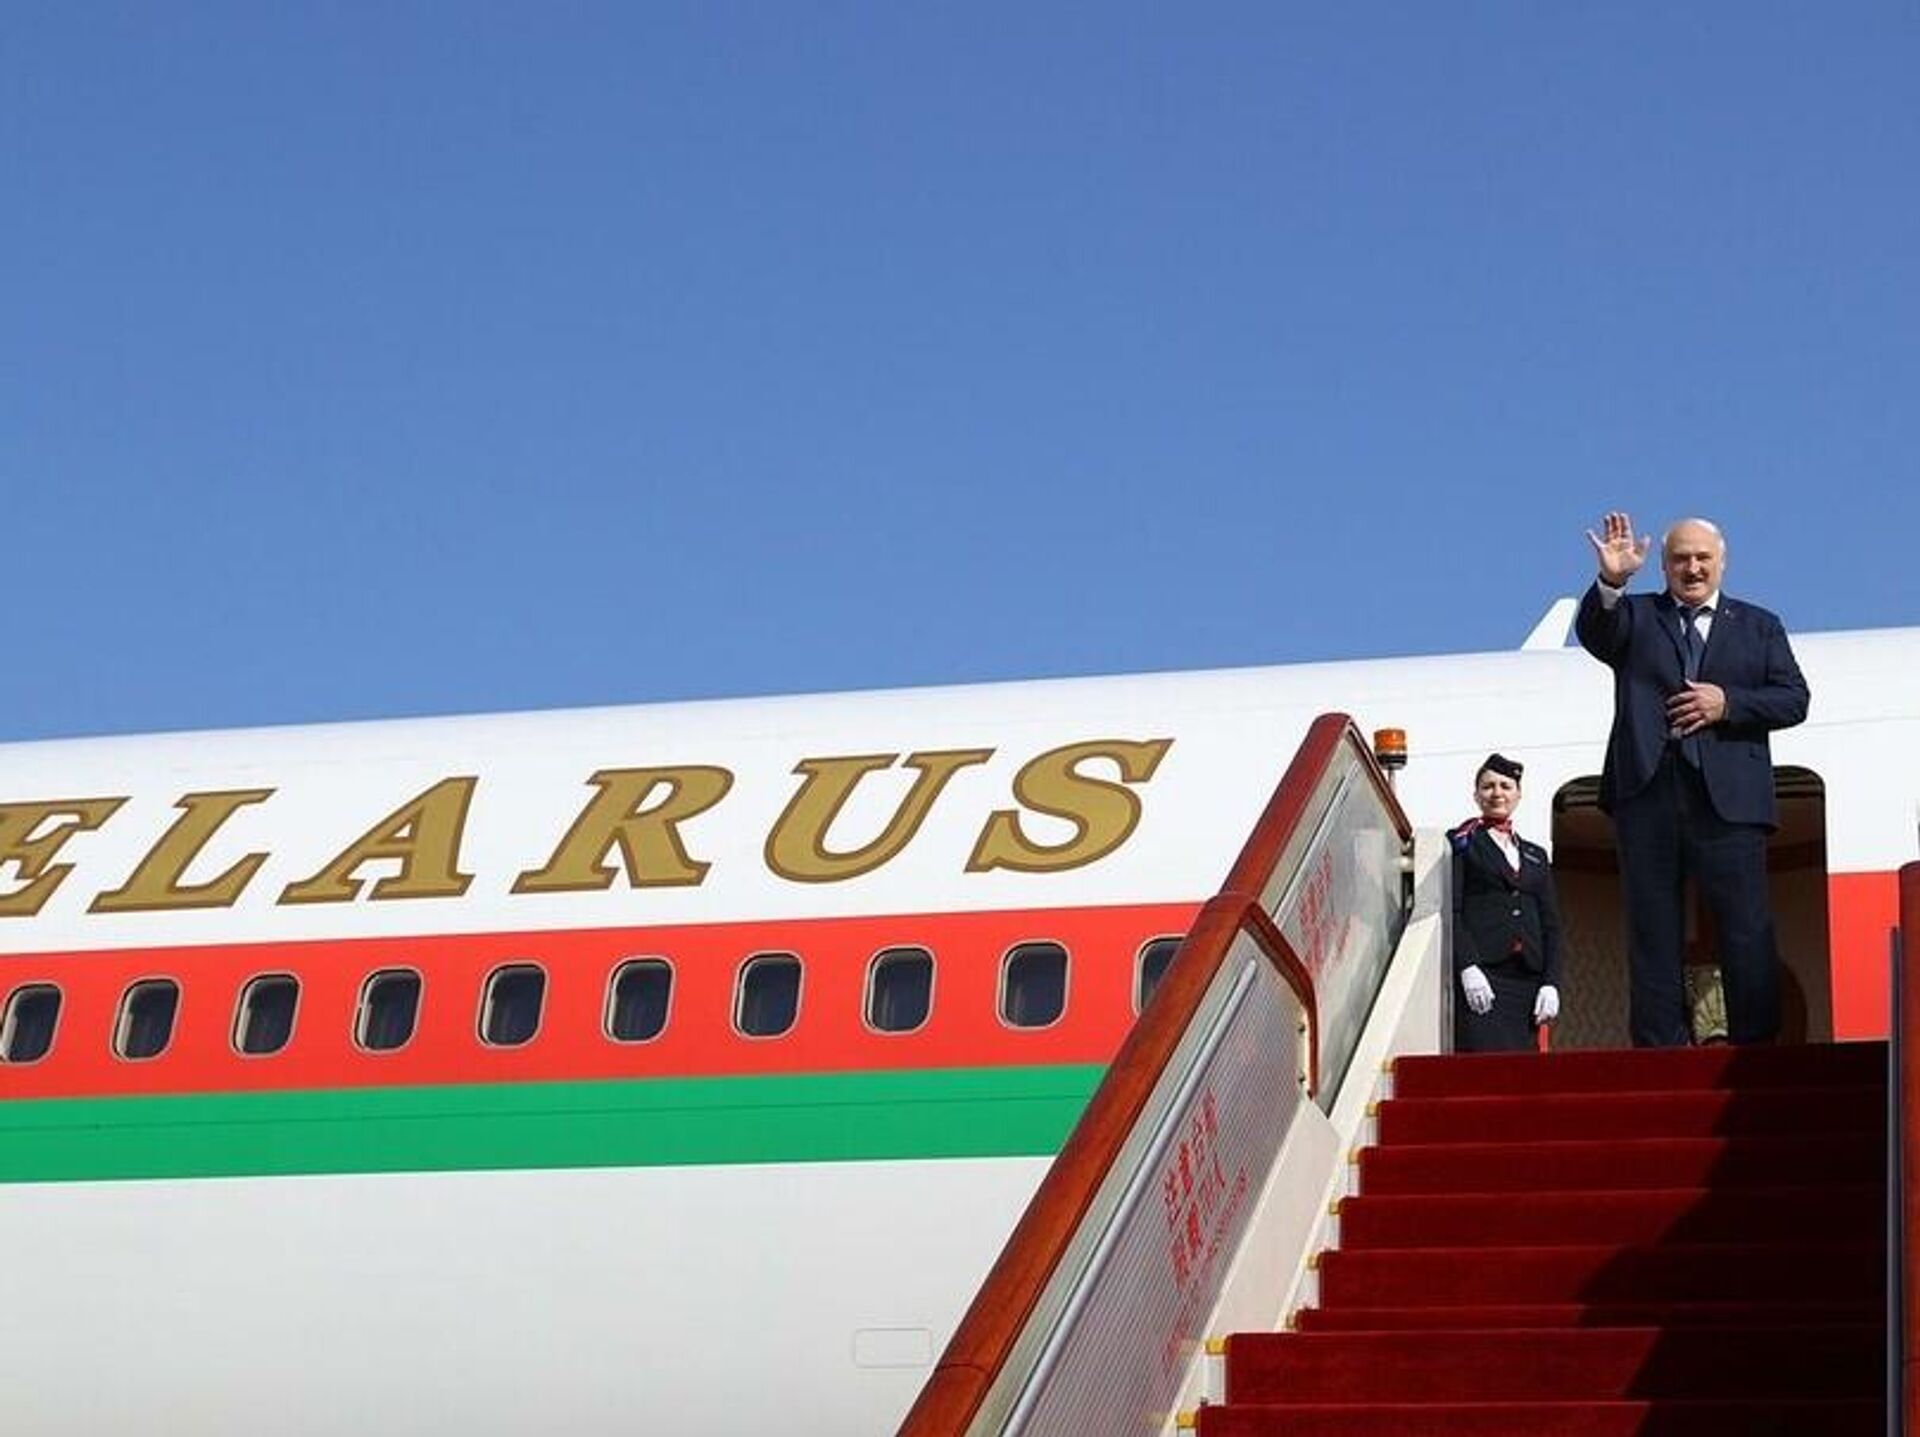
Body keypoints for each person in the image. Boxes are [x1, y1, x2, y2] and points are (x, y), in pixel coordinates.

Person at [1575, 512, 1810, 1047]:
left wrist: (1728, 703)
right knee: (1652, 928)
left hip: (1730, 799)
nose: (1693, 567)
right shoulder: (1636, 616)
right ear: (1664, 565)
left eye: (1703, 557)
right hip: (1648, 792)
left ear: (1722, 562)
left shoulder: (1758, 625)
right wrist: (1611, 580)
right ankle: (1660, 1047)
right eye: (1681, 558)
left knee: (1746, 925)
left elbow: (1794, 699)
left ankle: (1755, 1045)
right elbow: (1596, 632)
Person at [1450, 753, 1563, 1053]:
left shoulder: (1535, 854)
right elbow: (1453, 910)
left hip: (1528, 981)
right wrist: (1467, 966)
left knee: (1522, 1070)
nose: (1497, 793)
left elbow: (1551, 925)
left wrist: (1551, 982)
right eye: (1488, 786)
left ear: (1518, 794)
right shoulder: (1463, 841)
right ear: (1476, 796)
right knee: (1484, 1064)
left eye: (1505, 786)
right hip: (1485, 975)